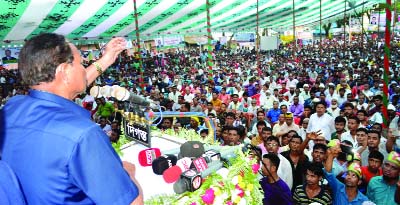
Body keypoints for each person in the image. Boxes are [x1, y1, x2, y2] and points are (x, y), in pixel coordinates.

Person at [0, 33, 143, 204]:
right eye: (81, 64)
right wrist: (130, 175)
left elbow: (62, 89)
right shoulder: (83, 135)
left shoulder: (12, 108)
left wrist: (106, 59)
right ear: (64, 71)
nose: (84, 69)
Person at [323, 140, 369, 205]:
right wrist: (331, 154)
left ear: (359, 182)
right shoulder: (338, 187)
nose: (349, 177)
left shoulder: (364, 200)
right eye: (348, 174)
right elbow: (328, 173)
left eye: (353, 175)